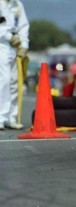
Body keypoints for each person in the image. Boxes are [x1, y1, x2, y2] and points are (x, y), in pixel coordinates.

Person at [0, 0, 29, 130]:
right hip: (2, 44)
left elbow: (23, 25)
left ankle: (12, 117)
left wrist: (24, 45)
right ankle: (1, 117)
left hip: (14, 47)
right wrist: (8, 36)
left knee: (15, 82)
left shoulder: (17, 4)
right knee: (4, 81)